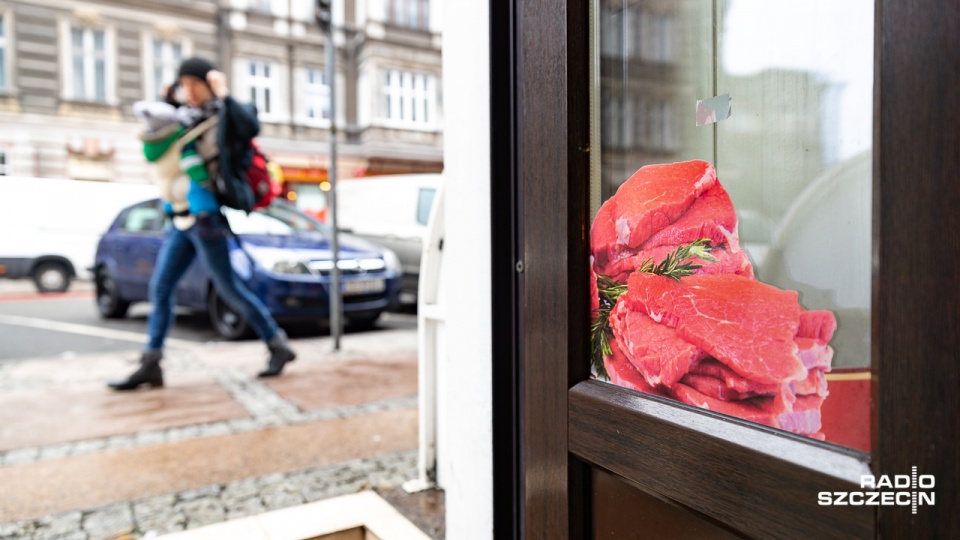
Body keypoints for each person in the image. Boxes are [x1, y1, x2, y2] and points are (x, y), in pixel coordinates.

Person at [109, 57, 296, 391]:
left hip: (206, 219)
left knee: (228, 289)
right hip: (180, 220)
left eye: (194, 83)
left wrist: (223, 94)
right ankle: (152, 362)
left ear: (208, 84)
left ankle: (277, 344)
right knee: (162, 288)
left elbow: (249, 125)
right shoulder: (183, 118)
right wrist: (167, 98)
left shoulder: (222, 116)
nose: (189, 91)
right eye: (184, 84)